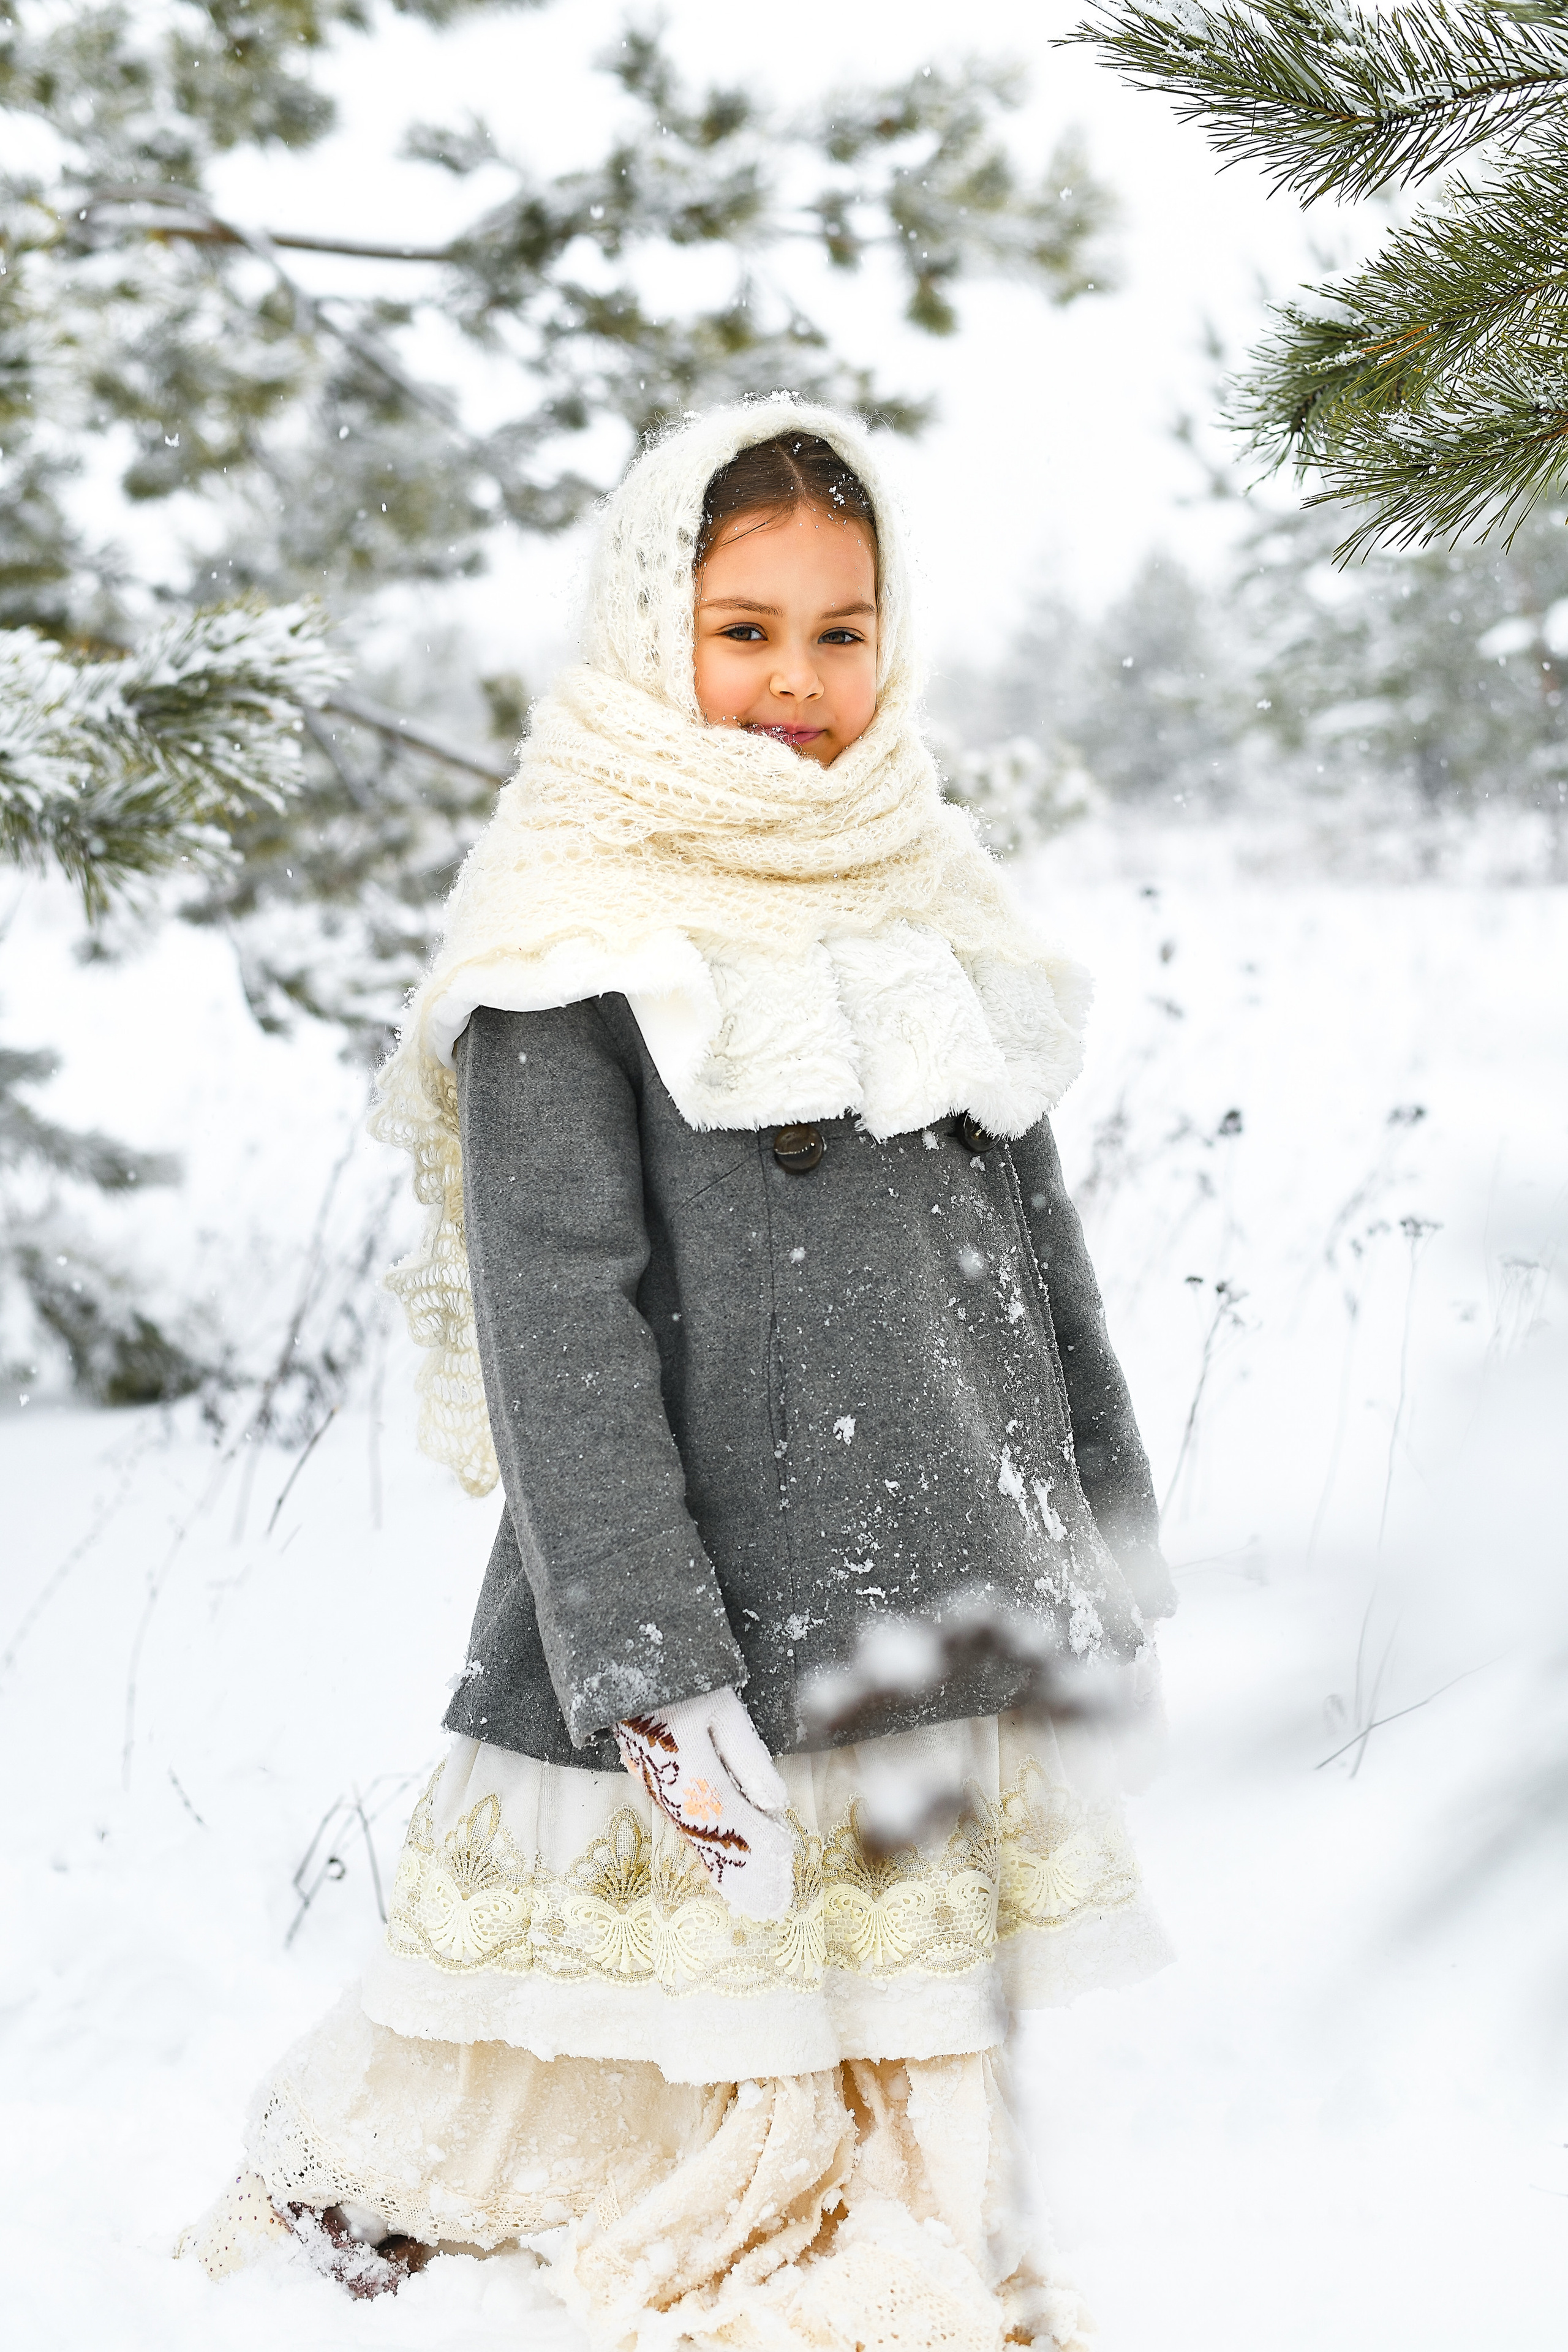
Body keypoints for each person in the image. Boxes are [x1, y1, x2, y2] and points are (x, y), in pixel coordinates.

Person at [178, 397, 1175, 2349]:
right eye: (745, 629)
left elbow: (1032, 1256)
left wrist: (1104, 1541)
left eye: (839, 629)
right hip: (716, 1591)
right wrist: (645, 1654)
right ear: (655, 627)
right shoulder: (577, 933)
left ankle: (886, 2215)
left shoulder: (929, 897)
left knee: (887, 1987)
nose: (796, 686)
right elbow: (561, 1327)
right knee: (647, 1987)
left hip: (949, 1555)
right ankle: (386, 2204)